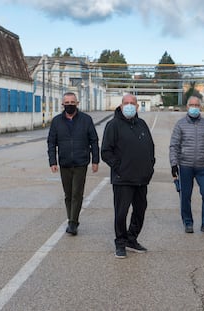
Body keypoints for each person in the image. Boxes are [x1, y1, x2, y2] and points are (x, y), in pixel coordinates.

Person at [101, 94, 155, 259]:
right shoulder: (113, 125)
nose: (130, 106)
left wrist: (150, 166)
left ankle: (132, 239)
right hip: (122, 178)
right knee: (121, 212)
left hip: (141, 178)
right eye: (127, 103)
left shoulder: (142, 124)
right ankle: (120, 242)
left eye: (133, 103)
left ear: (137, 107)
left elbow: (150, 147)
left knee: (140, 211)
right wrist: (119, 167)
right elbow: (106, 151)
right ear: (121, 106)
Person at [47, 92, 99, 236]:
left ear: (77, 103)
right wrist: (53, 161)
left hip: (81, 162)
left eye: (72, 102)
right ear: (62, 104)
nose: (69, 105)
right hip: (64, 163)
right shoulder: (57, 121)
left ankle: (73, 223)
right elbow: (51, 142)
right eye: (67, 102)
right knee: (68, 194)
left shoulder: (86, 120)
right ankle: (71, 218)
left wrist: (95, 160)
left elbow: (94, 140)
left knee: (77, 193)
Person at [169, 96, 204, 235]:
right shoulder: (180, 124)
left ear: (200, 107)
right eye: (192, 105)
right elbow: (174, 146)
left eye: (197, 105)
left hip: (203, 166)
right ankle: (188, 222)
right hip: (185, 166)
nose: (194, 107)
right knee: (185, 195)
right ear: (187, 106)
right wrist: (173, 164)